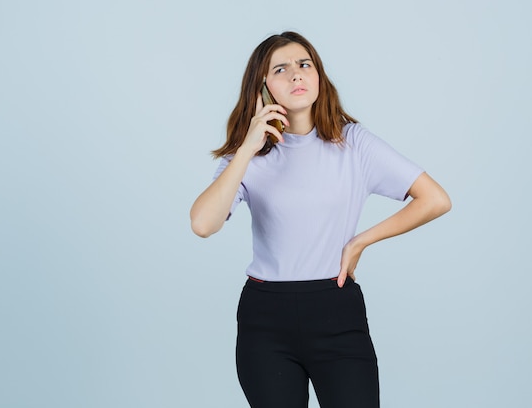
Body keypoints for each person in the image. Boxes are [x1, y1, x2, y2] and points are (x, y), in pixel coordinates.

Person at [189, 31, 451, 408]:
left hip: (336, 308)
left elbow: (435, 199)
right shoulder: (246, 158)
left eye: (304, 64)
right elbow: (203, 224)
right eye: (281, 69)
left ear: (318, 76)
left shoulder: (354, 143)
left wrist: (360, 241)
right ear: (262, 88)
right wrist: (247, 147)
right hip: (266, 317)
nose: (296, 75)